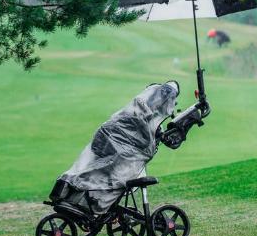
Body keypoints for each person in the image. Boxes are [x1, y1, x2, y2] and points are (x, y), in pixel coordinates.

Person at [55, 81, 179, 213]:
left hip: (107, 135)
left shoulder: (140, 103)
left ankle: (70, 192)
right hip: (117, 143)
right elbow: (143, 134)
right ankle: (87, 204)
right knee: (120, 178)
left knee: (98, 168)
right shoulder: (146, 110)